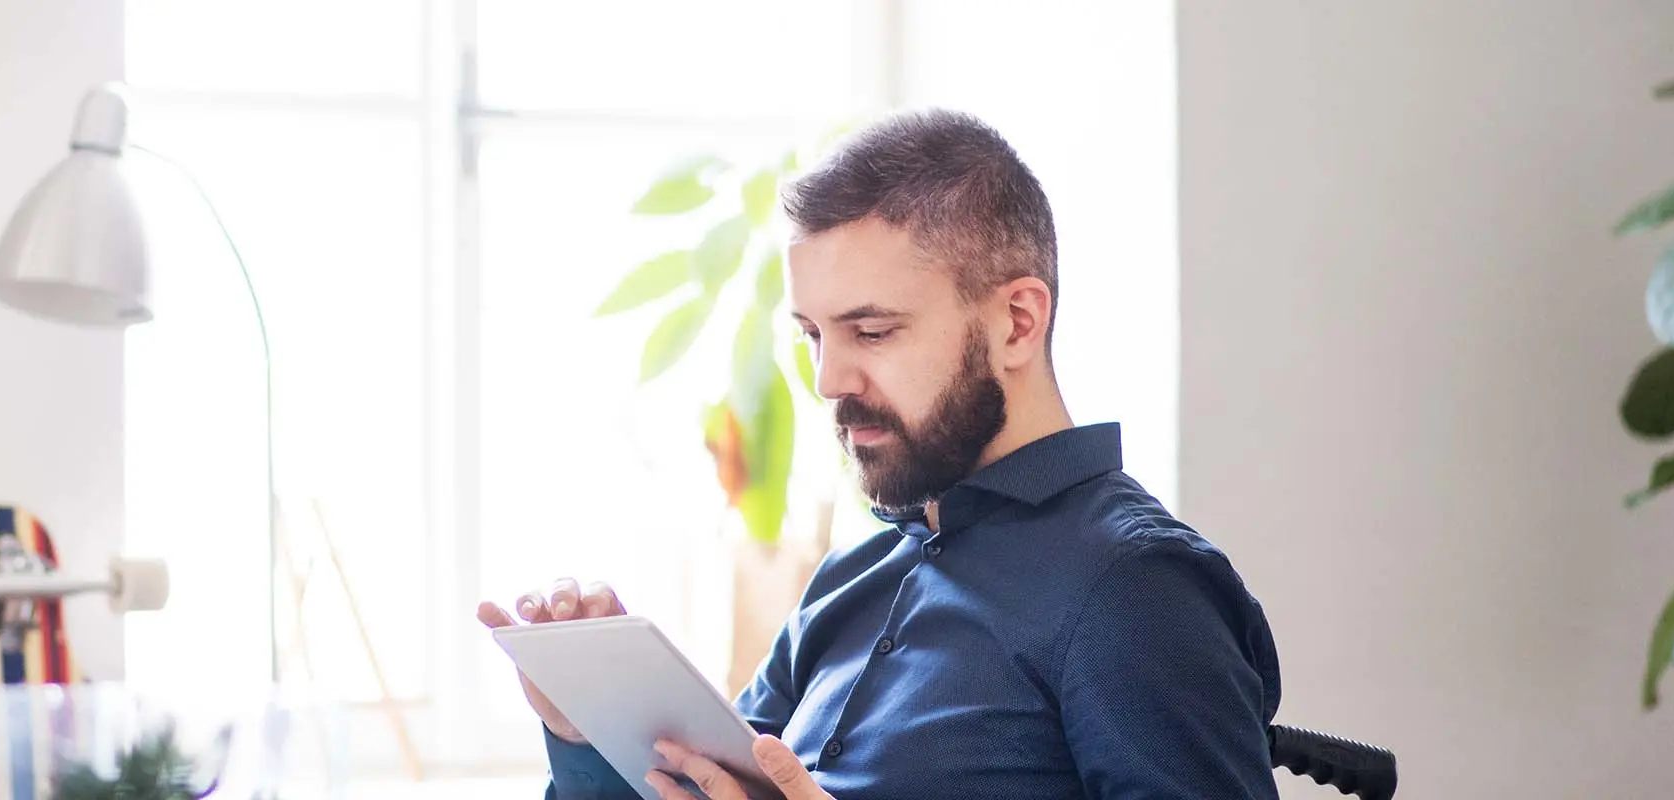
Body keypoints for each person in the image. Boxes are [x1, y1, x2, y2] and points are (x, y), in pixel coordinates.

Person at [475, 108, 1282, 799]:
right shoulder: (851, 580)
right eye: (813, 335)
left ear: (1017, 323)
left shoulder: (1134, 588)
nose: (828, 379)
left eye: (872, 331)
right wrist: (588, 736)